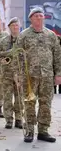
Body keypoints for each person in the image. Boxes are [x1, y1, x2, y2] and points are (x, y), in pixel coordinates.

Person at [15, 7, 61, 143]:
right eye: (36, 16)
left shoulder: (51, 35)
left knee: (45, 103)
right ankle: (29, 131)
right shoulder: (23, 35)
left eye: (41, 16)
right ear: (31, 19)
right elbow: (17, 56)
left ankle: (43, 131)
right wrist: (17, 74)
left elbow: (57, 56)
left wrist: (58, 74)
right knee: (29, 102)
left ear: (44, 18)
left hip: (47, 75)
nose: (39, 18)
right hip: (29, 76)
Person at [0, 17, 23, 129]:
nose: (15, 27)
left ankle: (19, 119)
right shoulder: (4, 40)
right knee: (7, 97)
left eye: (17, 25)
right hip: (7, 74)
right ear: (9, 27)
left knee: (20, 98)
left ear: (19, 27)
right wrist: (0, 60)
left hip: (20, 74)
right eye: (13, 25)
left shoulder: (24, 39)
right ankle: (9, 119)